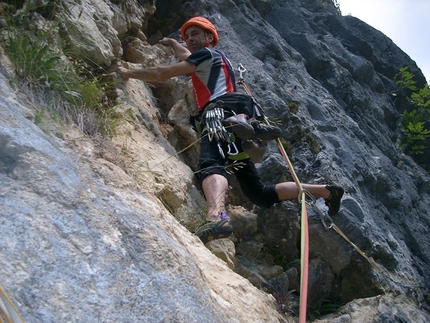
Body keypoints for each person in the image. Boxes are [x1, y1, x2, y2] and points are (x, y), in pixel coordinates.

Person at [115, 17, 344, 244]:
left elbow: (161, 73)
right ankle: (326, 191)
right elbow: (185, 55)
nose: (190, 39)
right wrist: (173, 43)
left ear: (209, 38)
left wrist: (127, 72)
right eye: (187, 36)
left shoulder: (205, 54)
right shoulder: (214, 59)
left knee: (211, 163)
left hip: (218, 112)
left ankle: (215, 217)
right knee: (259, 193)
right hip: (234, 115)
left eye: (195, 34)